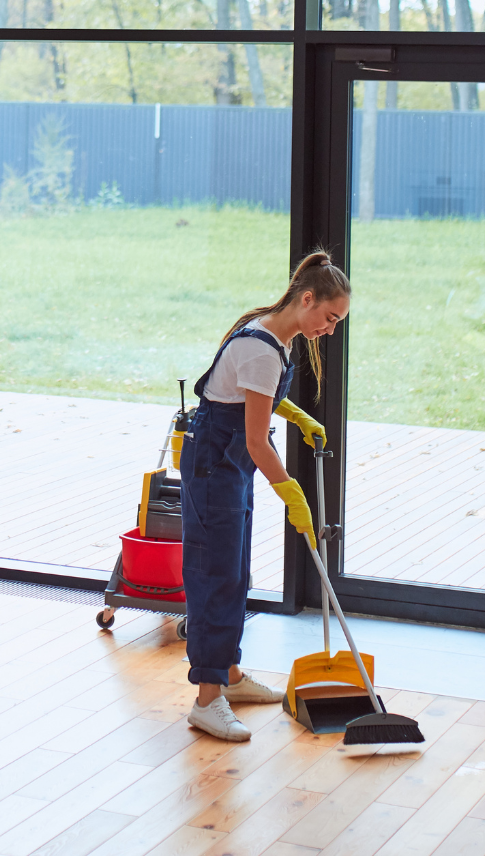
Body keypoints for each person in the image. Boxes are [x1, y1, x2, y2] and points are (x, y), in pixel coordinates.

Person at [179, 250, 350, 741]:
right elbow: (256, 440)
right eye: (329, 318)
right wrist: (291, 493)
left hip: (228, 463)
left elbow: (252, 396)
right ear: (307, 298)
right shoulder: (263, 346)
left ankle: (229, 677)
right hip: (217, 465)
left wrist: (292, 414)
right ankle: (207, 700)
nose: (330, 330)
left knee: (236, 571)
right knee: (217, 575)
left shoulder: (276, 335)